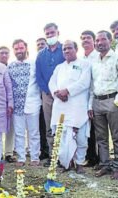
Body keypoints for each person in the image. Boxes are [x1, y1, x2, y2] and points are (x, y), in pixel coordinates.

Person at [49, 40, 91, 174]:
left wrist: (67, 90)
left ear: (76, 49)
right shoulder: (59, 67)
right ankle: (65, 163)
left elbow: (84, 83)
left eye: (69, 48)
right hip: (60, 106)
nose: (66, 51)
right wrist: (57, 92)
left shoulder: (85, 64)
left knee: (80, 137)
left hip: (77, 107)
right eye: (64, 49)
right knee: (61, 136)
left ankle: (79, 163)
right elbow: (52, 82)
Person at [8, 39, 41, 166]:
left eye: (21, 48)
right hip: (17, 105)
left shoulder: (34, 64)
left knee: (33, 132)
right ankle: (21, 158)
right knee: (19, 132)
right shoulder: (10, 66)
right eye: (16, 49)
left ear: (26, 48)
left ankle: (34, 157)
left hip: (32, 103)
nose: (19, 51)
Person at [36, 23, 65, 166]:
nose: (50, 36)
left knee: (63, 126)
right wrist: (48, 91)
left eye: (52, 33)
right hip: (47, 95)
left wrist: (61, 91)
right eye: (47, 33)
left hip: (63, 95)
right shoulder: (41, 54)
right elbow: (38, 76)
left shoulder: (65, 49)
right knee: (49, 126)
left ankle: (65, 157)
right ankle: (54, 157)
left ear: (58, 32)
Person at [91, 31, 118, 179]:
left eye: (103, 39)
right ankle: (105, 165)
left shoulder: (115, 57)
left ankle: (117, 167)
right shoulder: (94, 60)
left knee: (116, 136)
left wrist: (116, 102)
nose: (99, 42)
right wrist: (90, 105)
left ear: (110, 40)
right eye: (97, 40)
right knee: (100, 137)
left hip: (112, 101)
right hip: (97, 101)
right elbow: (91, 84)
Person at [80, 30, 100, 167]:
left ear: (94, 40)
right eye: (83, 38)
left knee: (98, 130)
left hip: (96, 98)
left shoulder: (98, 57)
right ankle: (91, 156)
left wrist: (90, 104)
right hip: (82, 99)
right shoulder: (81, 60)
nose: (85, 40)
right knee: (87, 130)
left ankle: (100, 159)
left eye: (88, 38)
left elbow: (94, 83)